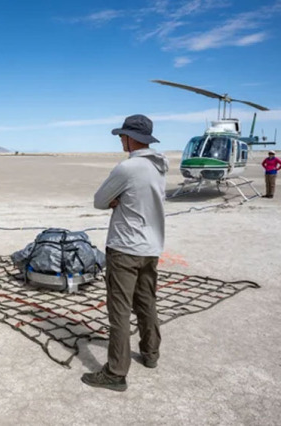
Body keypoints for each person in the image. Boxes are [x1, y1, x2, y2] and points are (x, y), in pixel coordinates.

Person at [81, 114, 168, 392]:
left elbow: (98, 201)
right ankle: (150, 354)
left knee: (119, 311)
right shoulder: (159, 167)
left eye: (122, 136)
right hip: (150, 248)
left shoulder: (128, 168)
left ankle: (116, 372)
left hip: (125, 248)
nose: (120, 140)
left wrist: (114, 201)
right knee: (146, 303)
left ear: (132, 138)